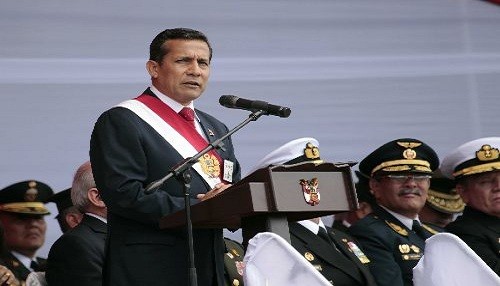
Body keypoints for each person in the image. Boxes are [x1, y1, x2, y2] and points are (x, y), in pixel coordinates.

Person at [89, 27, 241, 286]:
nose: (195, 70)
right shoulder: (123, 120)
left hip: (209, 265)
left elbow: (230, 184)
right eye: (183, 60)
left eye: (203, 62)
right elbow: (123, 194)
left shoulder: (217, 127)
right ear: (154, 68)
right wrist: (200, 208)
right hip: (152, 268)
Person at [253, 137, 377, 286]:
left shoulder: (342, 238)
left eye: (321, 175)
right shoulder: (278, 242)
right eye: (305, 181)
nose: (315, 186)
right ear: (279, 189)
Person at [348, 138, 441, 286]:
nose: (411, 184)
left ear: (428, 184)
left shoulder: (438, 234)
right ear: (375, 186)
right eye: (399, 176)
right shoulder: (369, 233)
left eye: (420, 177)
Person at [440, 137, 500, 275]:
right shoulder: (462, 233)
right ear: (463, 192)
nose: (498, 187)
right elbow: (493, 277)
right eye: (486, 182)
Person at [46, 161, 107, 286]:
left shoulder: (123, 235)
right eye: (126, 187)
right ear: (98, 198)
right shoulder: (76, 245)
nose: (139, 194)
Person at [0, 180, 53, 282]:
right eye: (22, 219)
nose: (33, 225)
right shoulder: (2, 269)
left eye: (38, 218)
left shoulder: (53, 266)